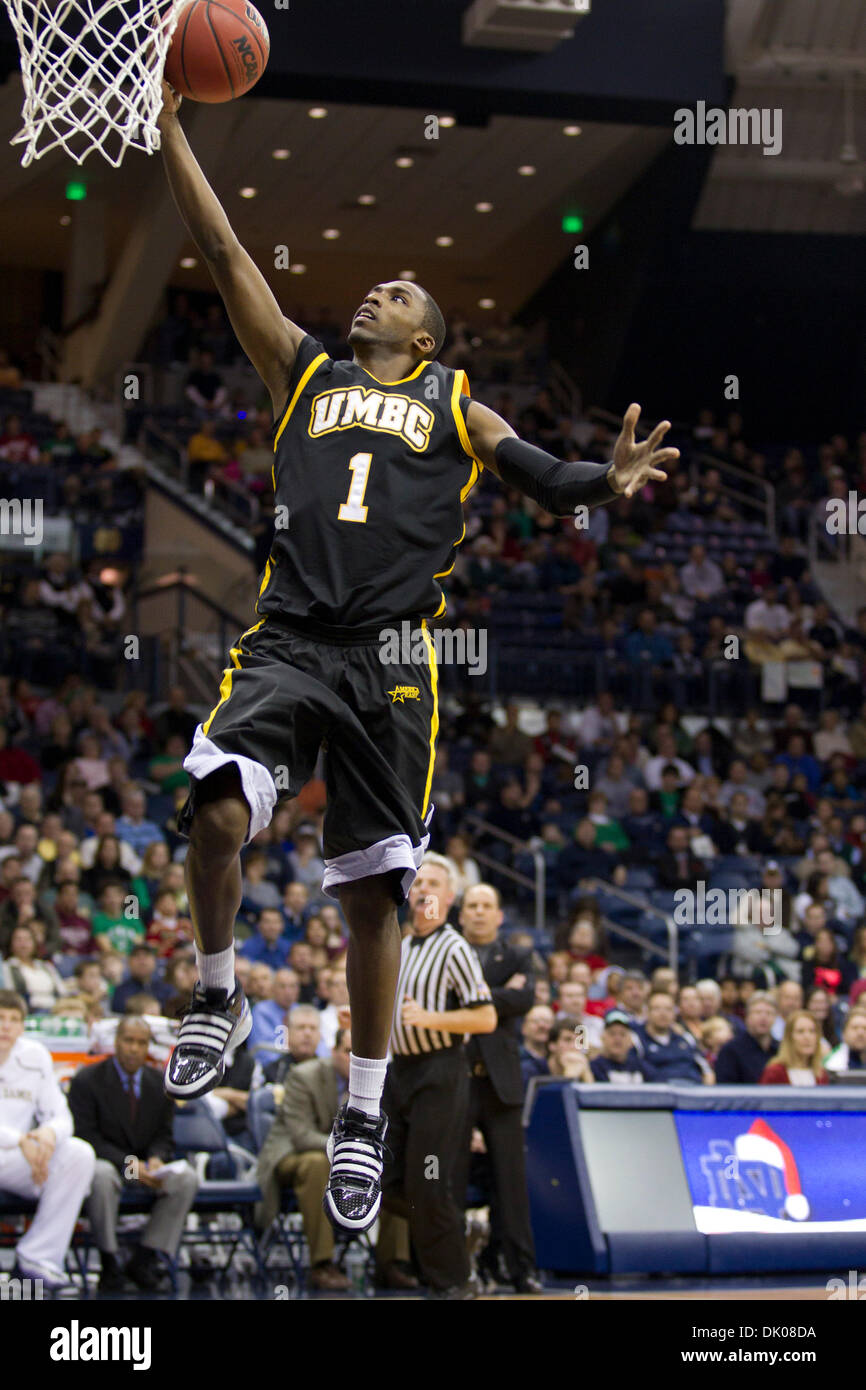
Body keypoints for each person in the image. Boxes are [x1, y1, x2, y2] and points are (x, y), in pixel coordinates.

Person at [156, 76, 679, 1245]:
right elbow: (223, 244)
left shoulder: (455, 403)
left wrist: (607, 479)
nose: (374, 290)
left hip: (393, 658)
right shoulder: (305, 373)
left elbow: (543, 475)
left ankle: (360, 1109)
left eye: (397, 289)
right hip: (291, 635)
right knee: (209, 813)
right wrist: (173, 133)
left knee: (375, 895)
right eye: (374, 284)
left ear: (425, 337)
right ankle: (212, 987)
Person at [381, 855, 496, 1298]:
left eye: (434, 883)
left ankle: (455, 1281)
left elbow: (484, 1018)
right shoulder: (403, 945)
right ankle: (456, 1237)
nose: (425, 888)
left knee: (428, 1182)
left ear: (448, 898)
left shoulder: (455, 948)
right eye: (420, 880)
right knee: (387, 1181)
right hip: (398, 1073)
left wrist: (431, 1018)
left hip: (440, 1073)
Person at [256, 1028, 413, 1291]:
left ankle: (392, 1263)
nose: (354, 1059)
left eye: (360, 1053)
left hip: (334, 1159)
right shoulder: (304, 1076)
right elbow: (300, 1135)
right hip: (292, 1156)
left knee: (383, 1168)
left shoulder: (379, 1083)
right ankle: (322, 1264)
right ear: (333, 1052)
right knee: (318, 1164)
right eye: (348, 1052)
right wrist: (348, 1149)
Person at [68, 1015, 199, 1293]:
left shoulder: (161, 1084)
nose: (134, 1048)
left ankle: (146, 1257)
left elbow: (164, 1135)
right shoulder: (87, 1080)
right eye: (128, 1041)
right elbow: (85, 1137)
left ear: (148, 1047)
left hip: (146, 1169)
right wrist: (130, 1164)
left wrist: (155, 1159)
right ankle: (109, 1260)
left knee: (186, 1179)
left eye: (141, 1043)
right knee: (100, 1175)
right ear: (116, 1043)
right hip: (111, 1164)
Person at [453, 882, 541, 1295]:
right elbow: (442, 1003)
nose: (480, 912)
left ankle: (521, 1269)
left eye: (487, 905)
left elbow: (525, 999)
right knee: (448, 1179)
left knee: (512, 1183)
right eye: (472, 905)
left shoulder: (520, 953)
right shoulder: (446, 949)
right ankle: (453, 1270)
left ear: (499, 915)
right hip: (456, 1082)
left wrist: (473, 997)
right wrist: (498, 994)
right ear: (461, 913)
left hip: (502, 1084)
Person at [0, 989, 96, 1289]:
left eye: (14, 1020)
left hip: (21, 1159)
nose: (6, 1026)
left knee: (79, 1154)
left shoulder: (35, 1055)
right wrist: (20, 1141)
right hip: (16, 1149)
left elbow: (61, 1115)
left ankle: (37, 1258)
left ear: (22, 1026)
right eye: (0, 1018)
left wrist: (48, 1136)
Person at [633, 991, 711, 1084]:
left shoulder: (685, 1037)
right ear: (647, 1012)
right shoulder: (637, 1038)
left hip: (692, 1089)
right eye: (657, 1008)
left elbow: (707, 1071)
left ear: (675, 1013)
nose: (663, 1013)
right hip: (658, 1092)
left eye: (668, 1009)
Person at [713, 992, 778, 1083]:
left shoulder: (781, 1049)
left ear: (775, 1018)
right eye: (758, 1012)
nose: (764, 1018)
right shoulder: (731, 1051)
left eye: (769, 1013)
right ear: (747, 1016)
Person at [760, 1011, 830, 1086]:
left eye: (812, 1031)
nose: (807, 1037)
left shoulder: (821, 1074)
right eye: (800, 1031)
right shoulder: (774, 1072)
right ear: (789, 1038)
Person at [590, 1009, 655, 1082]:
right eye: (612, 1034)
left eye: (622, 1034)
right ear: (602, 1038)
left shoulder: (640, 1065)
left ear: (630, 1040)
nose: (617, 1039)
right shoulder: (594, 1067)